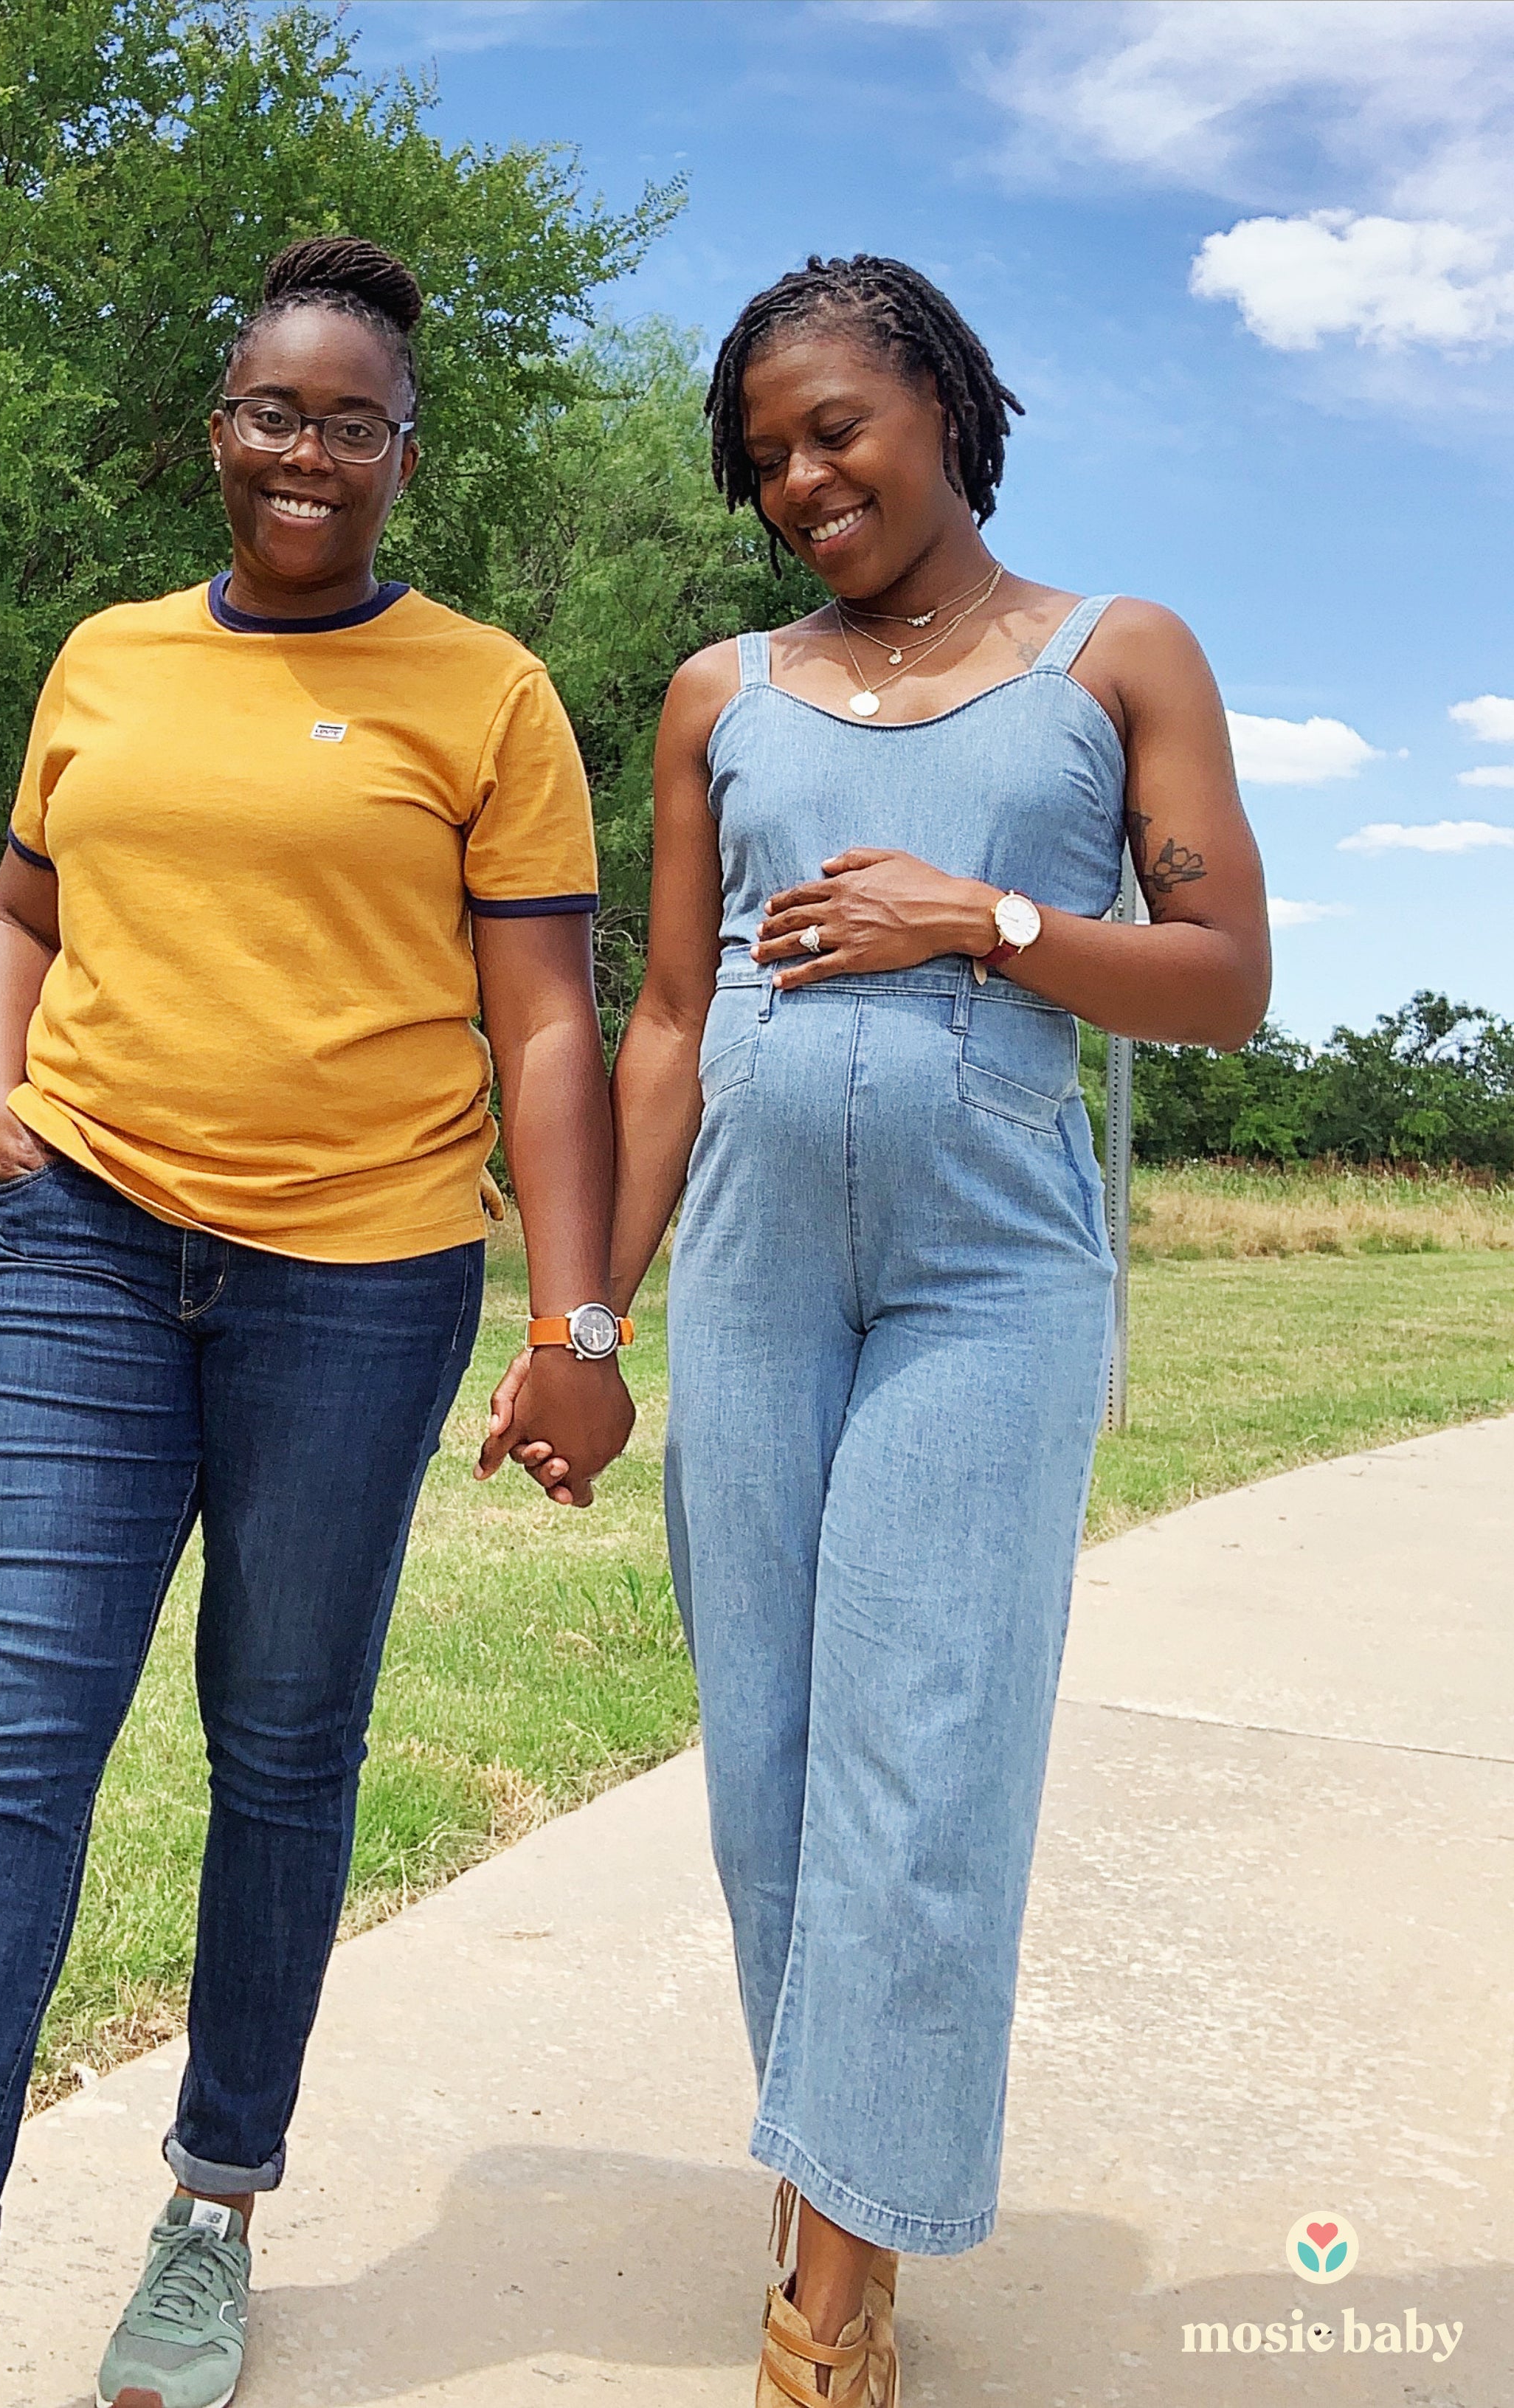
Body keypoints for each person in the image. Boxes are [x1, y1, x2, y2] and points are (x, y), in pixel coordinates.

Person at [0, 236, 634, 2408]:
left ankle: (212, 2212)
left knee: (284, 1750)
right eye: (271, 410)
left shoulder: (484, 693)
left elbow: (552, 1026)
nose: (307, 451)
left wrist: (577, 1316)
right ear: (215, 427)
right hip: (92, 1249)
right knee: (13, 1739)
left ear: (406, 455)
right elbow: (18, 907)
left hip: (363, 1274)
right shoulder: (109, 655)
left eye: (353, 421)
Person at [566, 253, 1269, 2405]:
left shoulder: (1114, 655)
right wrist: (588, 1309)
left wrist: (997, 920)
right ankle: (835, 2173)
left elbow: (1228, 972)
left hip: (990, 1273)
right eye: (765, 455)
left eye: (836, 429)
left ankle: (838, 2281)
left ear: (947, 407)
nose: (801, 480)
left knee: (924, 1765)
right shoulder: (722, 693)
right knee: (769, 1768)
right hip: (760, 1273)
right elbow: (670, 1018)